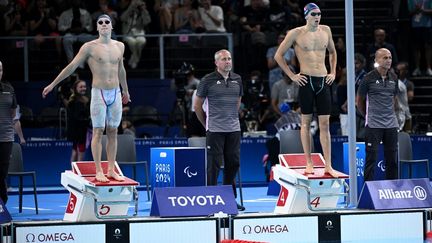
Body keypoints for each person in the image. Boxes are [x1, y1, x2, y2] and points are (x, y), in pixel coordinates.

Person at [42, 14, 131, 182]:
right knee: (98, 131)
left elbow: (121, 70)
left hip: (116, 93)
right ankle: (99, 170)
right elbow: (72, 66)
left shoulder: (120, 46)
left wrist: (125, 90)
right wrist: (53, 84)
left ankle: (111, 169)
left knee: (113, 132)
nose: (104, 24)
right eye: (100, 22)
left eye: (107, 22)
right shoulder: (89, 47)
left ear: (112, 26)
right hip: (99, 93)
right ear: (96, 27)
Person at [274, 3, 338, 177]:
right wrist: (292, 75)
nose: (317, 17)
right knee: (305, 123)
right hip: (306, 81)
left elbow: (333, 52)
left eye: (319, 14)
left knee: (325, 125)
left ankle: (328, 165)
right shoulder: (296, 33)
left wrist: (332, 72)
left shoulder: (326, 30)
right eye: (314, 14)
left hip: (323, 81)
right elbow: (278, 56)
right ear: (306, 15)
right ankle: (309, 162)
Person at [194, 49, 245, 211]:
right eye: (224, 59)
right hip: (214, 130)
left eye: (229, 58)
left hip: (234, 129)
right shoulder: (207, 80)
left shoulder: (238, 79)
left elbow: (237, 102)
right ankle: (211, 199)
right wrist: (207, 125)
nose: (228, 61)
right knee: (214, 165)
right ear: (216, 63)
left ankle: (228, 198)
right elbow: (197, 106)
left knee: (233, 163)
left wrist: (232, 118)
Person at [356, 48, 399, 181]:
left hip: (391, 124)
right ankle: (368, 190)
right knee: (371, 160)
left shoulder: (394, 77)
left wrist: (393, 115)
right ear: (376, 60)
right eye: (385, 58)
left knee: (392, 159)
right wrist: (368, 116)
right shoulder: (368, 78)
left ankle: (393, 188)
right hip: (374, 124)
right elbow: (359, 102)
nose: (388, 60)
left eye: (390, 58)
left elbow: (394, 99)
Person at [0, 60, 17, 204]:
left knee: (2, 172)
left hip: (6, 136)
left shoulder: (9, 88)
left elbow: (12, 112)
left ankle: (2, 203)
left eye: (0, 70)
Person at [66, 79, 90, 162]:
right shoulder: (74, 101)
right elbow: (77, 117)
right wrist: (88, 120)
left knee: (75, 151)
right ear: (76, 88)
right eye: (81, 87)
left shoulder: (85, 99)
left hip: (81, 131)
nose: (83, 88)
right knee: (79, 152)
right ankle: (77, 173)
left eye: (84, 86)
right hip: (79, 132)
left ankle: (74, 172)